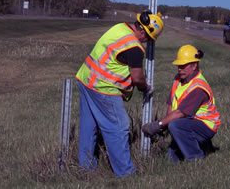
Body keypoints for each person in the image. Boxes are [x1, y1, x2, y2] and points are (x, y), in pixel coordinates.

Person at [75, 10, 164, 177]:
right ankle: (125, 173)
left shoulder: (120, 28)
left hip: (86, 79)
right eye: (149, 39)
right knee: (119, 127)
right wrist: (146, 88)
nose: (147, 42)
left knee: (89, 128)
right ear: (143, 31)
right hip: (104, 88)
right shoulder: (134, 47)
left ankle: (85, 169)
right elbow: (137, 78)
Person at [142, 44, 220, 162]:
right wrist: (166, 122)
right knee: (170, 161)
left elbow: (180, 113)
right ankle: (204, 146)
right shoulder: (178, 79)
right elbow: (171, 102)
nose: (179, 69)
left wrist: (158, 125)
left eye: (183, 66)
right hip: (188, 122)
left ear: (194, 66)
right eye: (179, 65)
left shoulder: (198, 88)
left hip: (206, 126)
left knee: (176, 126)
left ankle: (196, 158)